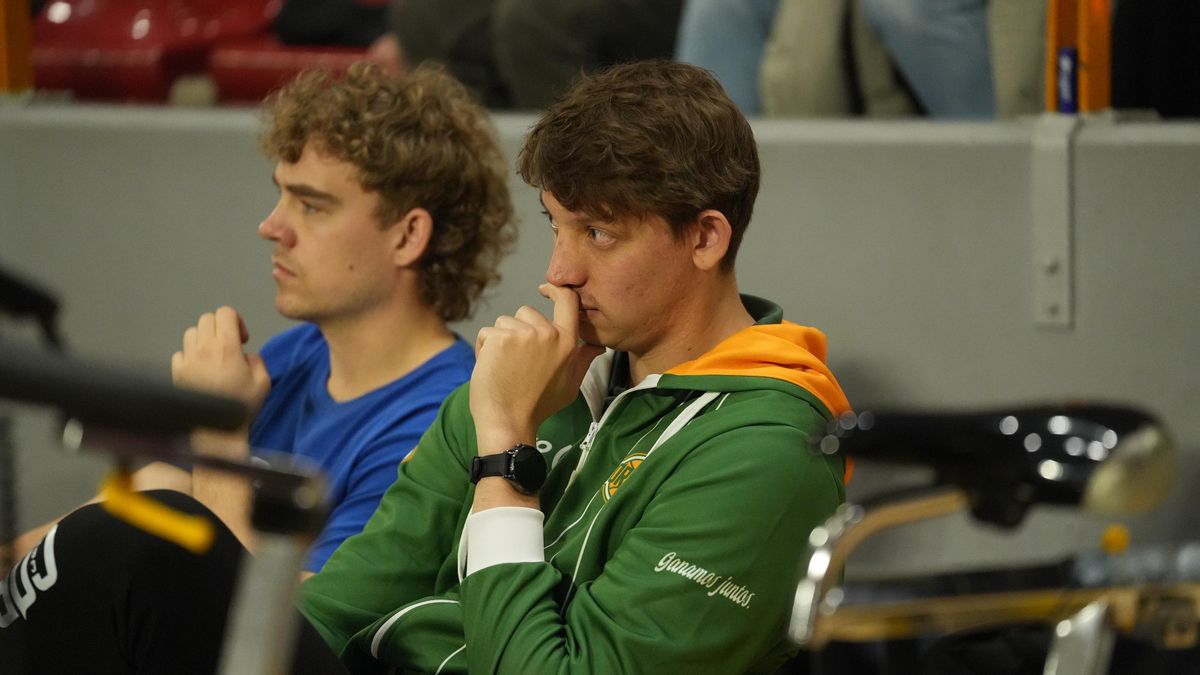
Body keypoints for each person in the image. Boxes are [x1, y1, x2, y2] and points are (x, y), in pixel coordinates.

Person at [1, 59, 850, 674]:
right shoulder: (541, 373)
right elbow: (332, 608)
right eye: (556, 225)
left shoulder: (767, 448)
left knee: (129, 555)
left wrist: (505, 455)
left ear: (706, 237)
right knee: (119, 553)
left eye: (599, 232)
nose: (559, 271)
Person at [5, 60, 515, 576]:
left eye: (311, 206)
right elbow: (161, 491)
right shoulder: (300, 353)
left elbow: (292, 634)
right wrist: (13, 560)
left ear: (407, 236)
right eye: (281, 195)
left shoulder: (437, 418)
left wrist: (219, 433)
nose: (271, 226)